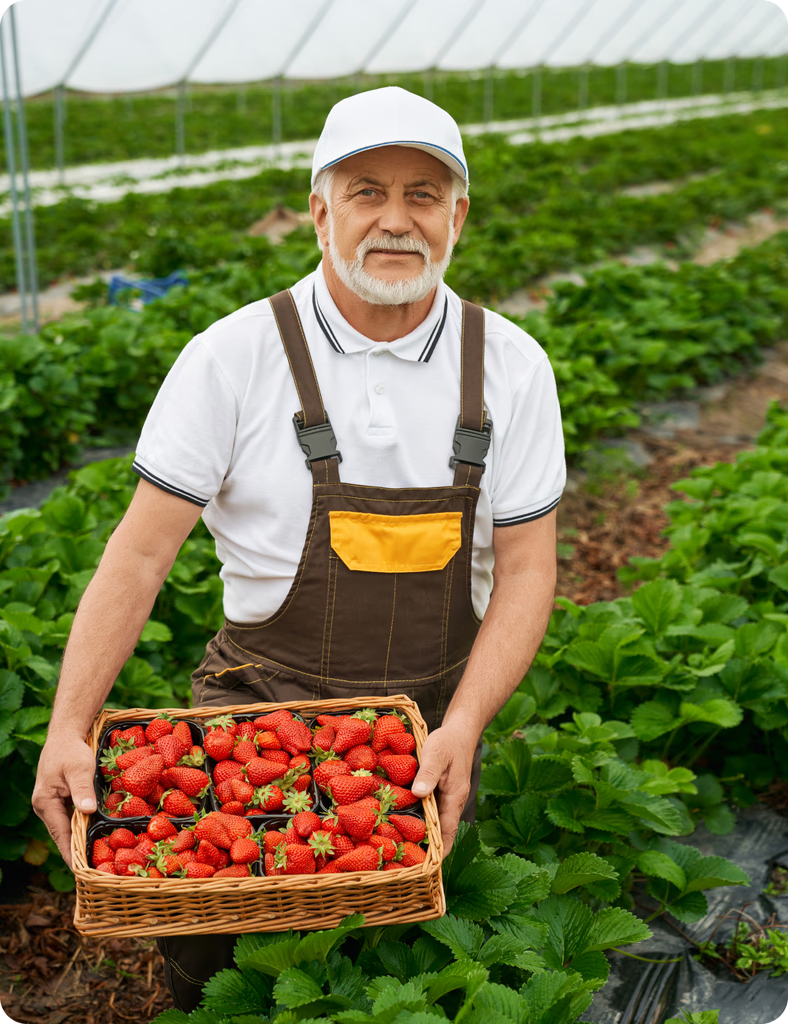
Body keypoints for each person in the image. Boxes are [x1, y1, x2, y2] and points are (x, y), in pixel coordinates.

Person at [32, 86, 565, 1010]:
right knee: (224, 975)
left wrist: (466, 729)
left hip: (425, 728)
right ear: (318, 211)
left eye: (424, 195)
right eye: (366, 192)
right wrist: (68, 726)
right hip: (253, 723)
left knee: (402, 963)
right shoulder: (231, 358)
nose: (396, 221)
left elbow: (527, 570)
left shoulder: (512, 367)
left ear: (458, 216)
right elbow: (139, 557)